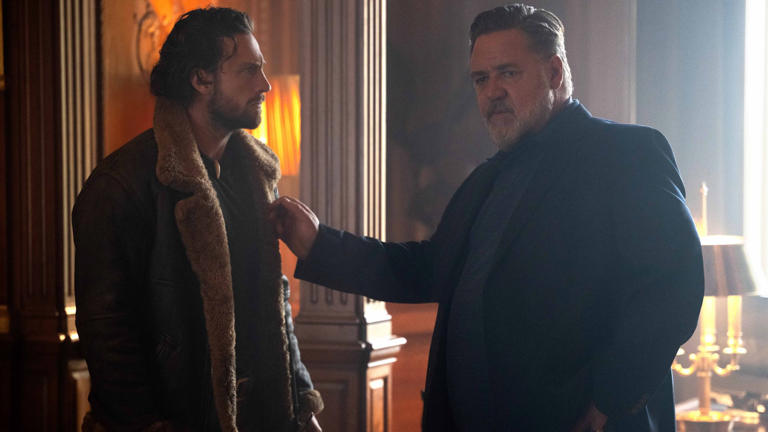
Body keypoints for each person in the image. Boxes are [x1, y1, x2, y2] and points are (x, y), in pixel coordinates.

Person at [270, 4, 703, 431]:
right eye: (481, 79)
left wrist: (611, 399)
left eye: (508, 73)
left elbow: (672, 287)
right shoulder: (487, 178)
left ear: (554, 72)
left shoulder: (626, 153)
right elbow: (428, 269)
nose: (492, 91)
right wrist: (319, 244)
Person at [73, 7, 322, 432]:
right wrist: (147, 424)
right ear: (201, 79)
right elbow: (108, 332)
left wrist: (302, 405)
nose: (265, 85)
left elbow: (274, 301)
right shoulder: (122, 184)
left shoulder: (256, 175)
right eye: (249, 70)